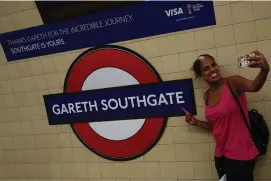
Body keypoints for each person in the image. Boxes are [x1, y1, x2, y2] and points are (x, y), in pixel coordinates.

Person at [181, 50, 269, 181]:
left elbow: (254, 86)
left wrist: (264, 70)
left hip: (241, 155)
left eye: (213, 65)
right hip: (221, 155)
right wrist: (195, 122)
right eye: (206, 69)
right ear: (201, 76)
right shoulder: (207, 95)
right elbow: (215, 125)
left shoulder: (233, 82)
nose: (212, 69)